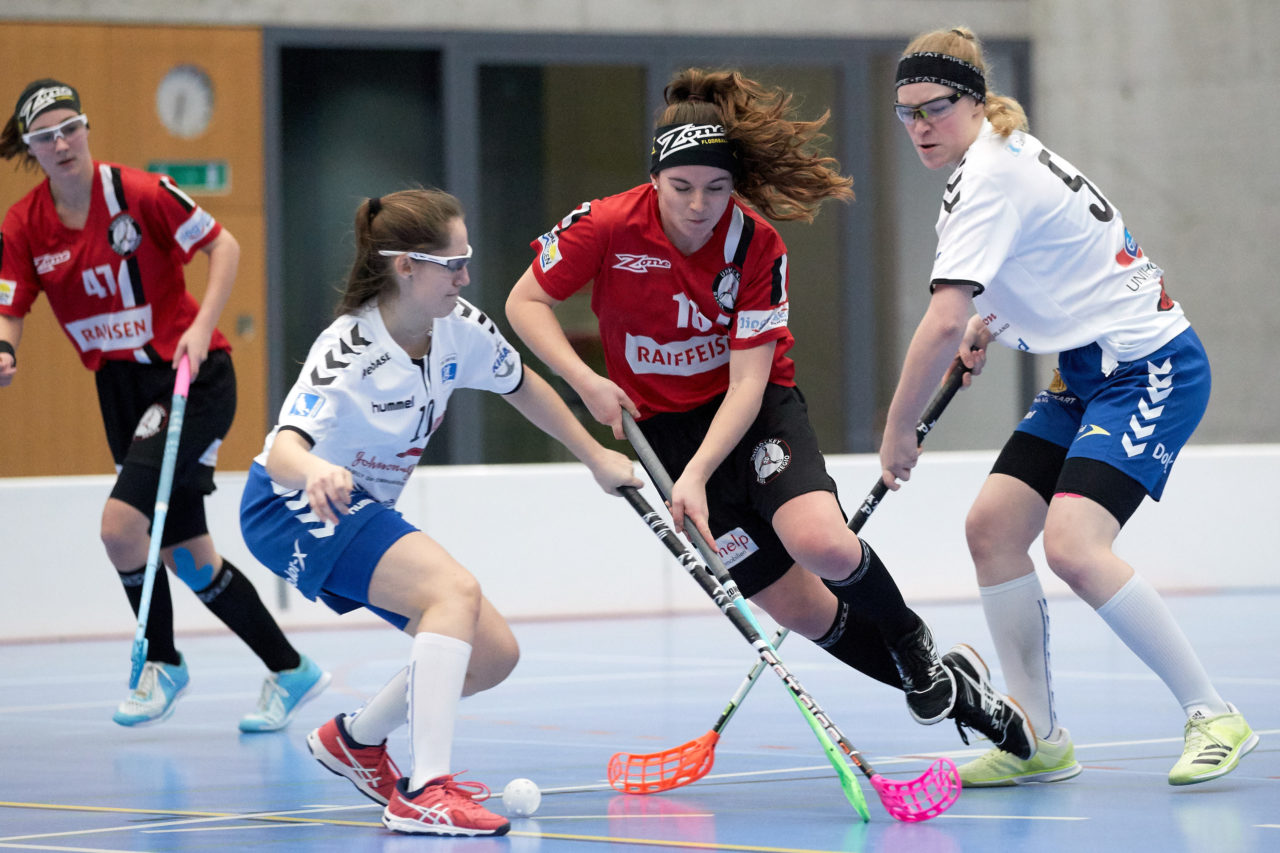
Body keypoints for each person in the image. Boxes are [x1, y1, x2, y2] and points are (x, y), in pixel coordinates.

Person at [506, 67, 1034, 761]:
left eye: (717, 187)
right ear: (654, 179)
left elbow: (748, 382)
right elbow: (524, 302)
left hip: (754, 417)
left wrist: (697, 475)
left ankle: (910, 639)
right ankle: (956, 691)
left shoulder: (755, 244)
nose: (699, 204)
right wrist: (585, 380)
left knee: (823, 544)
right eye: (681, 187)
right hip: (662, 433)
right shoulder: (604, 225)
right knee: (802, 610)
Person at [880, 27, 1258, 788]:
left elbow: (942, 320)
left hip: (1150, 368)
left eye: (935, 107)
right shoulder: (999, 154)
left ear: (974, 100)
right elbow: (1052, 265)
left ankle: (1214, 713)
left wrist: (897, 432)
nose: (920, 126)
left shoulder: (988, 177)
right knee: (992, 529)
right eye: (906, 113)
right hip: (1086, 369)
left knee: (1074, 546)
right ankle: (1038, 738)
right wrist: (993, 323)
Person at [240, 188, 641, 837]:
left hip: (361, 508)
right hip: (290, 507)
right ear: (406, 266)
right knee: (453, 590)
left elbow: (521, 384)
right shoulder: (349, 349)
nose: (466, 277)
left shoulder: (461, 328)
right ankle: (425, 791)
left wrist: (595, 456)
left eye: (466, 260)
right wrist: (315, 470)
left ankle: (356, 739)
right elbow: (285, 448)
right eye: (453, 264)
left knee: (492, 655)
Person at [0, 79, 328, 731]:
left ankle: (162, 660)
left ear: (86, 129)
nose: (61, 144)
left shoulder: (141, 193)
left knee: (120, 527)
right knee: (188, 554)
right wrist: (5, 350)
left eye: (70, 129)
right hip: (119, 388)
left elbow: (224, 245)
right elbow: (10, 306)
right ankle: (291, 668)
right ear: (31, 148)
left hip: (189, 378)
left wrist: (203, 327)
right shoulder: (23, 226)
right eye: (45, 137)